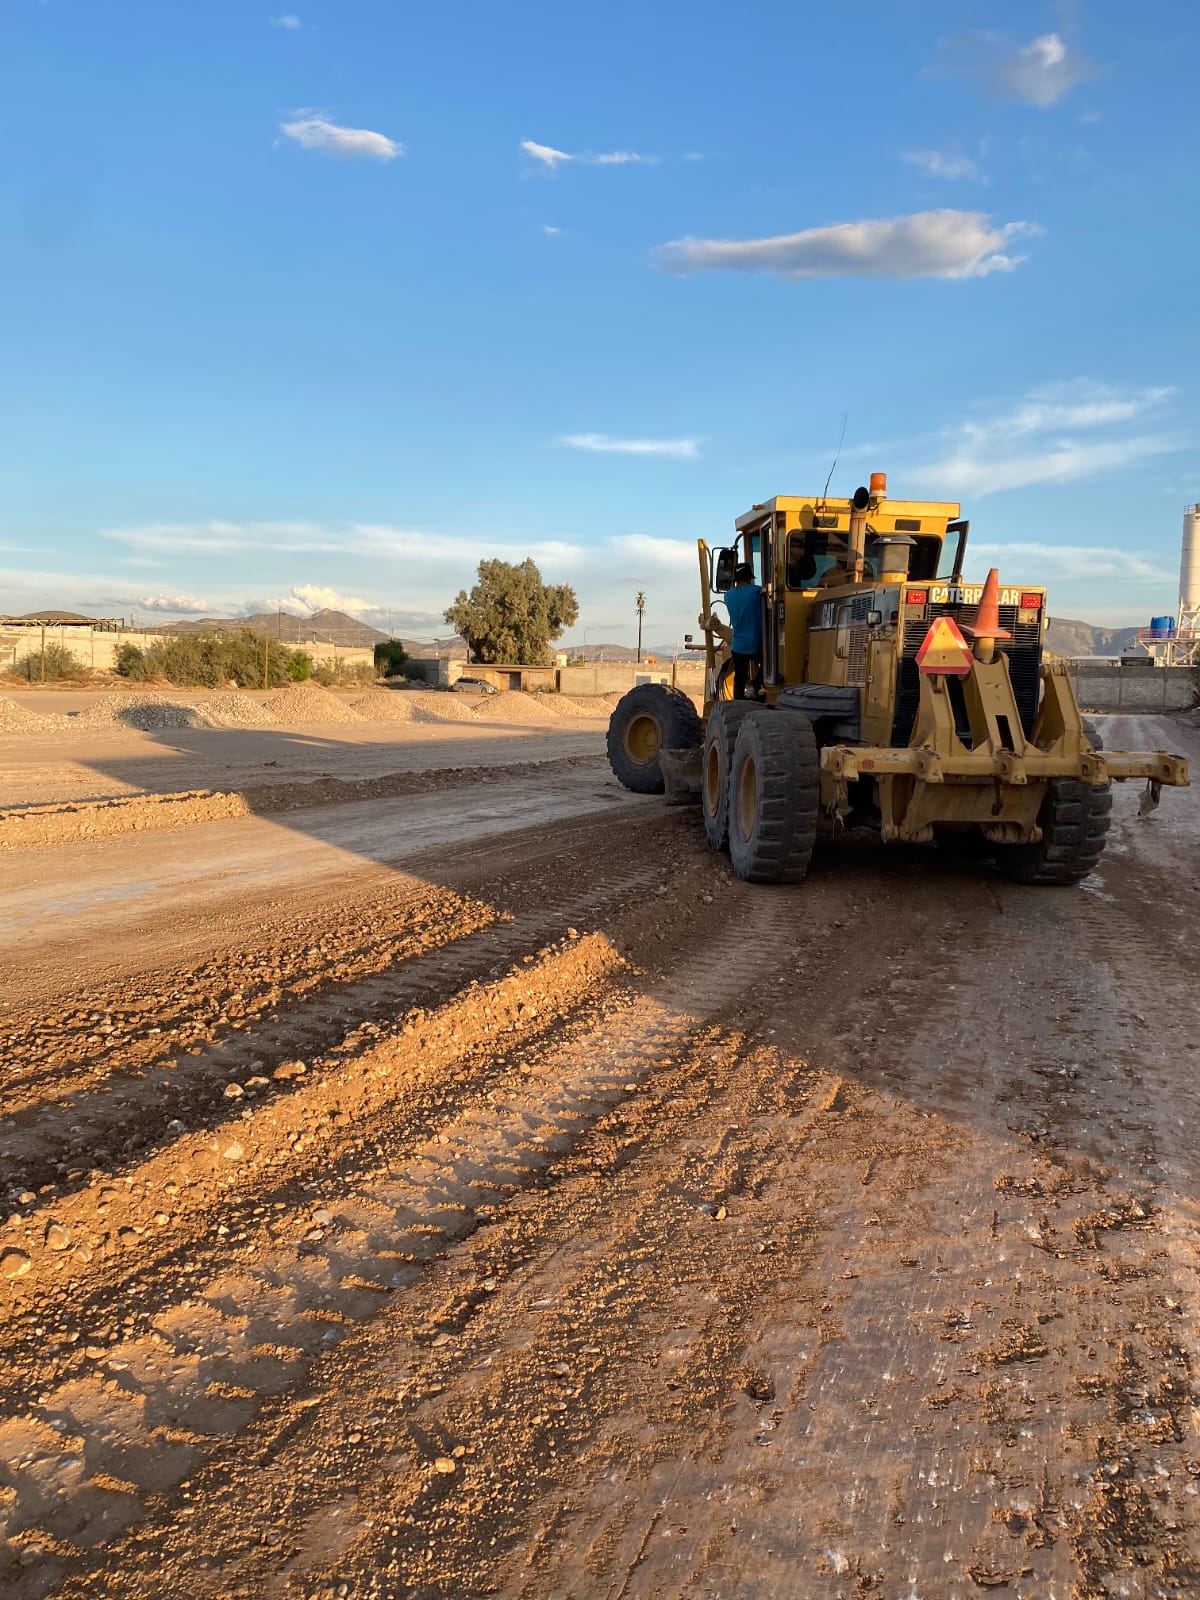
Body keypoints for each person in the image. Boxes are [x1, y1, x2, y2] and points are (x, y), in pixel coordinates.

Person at [723, 562, 763, 699]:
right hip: (755, 643)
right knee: (772, 663)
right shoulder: (756, 592)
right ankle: (755, 686)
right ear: (749, 577)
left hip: (738, 645)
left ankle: (738, 703)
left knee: (739, 678)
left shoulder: (728, 596)